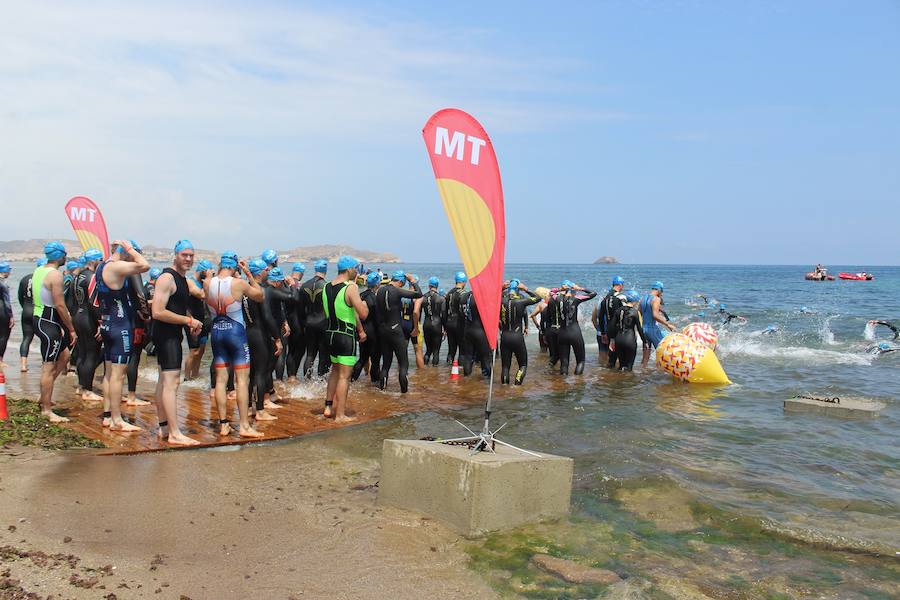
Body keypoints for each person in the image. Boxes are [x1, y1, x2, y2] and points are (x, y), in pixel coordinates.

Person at [205, 252, 265, 438]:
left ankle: (224, 425)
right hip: (236, 334)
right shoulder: (238, 283)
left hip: (217, 334)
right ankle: (245, 426)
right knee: (241, 381)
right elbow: (260, 296)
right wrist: (248, 273)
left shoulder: (209, 283)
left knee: (221, 381)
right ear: (235, 266)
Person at [151, 240, 203, 446]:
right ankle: (174, 433)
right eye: (184, 255)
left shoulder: (181, 278)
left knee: (164, 382)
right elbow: (158, 311)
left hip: (171, 335)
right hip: (166, 336)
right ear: (175, 255)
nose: (188, 259)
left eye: (191, 255)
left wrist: (187, 319)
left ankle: (164, 428)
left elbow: (177, 306)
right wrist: (188, 321)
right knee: (171, 383)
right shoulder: (167, 278)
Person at [95, 240, 149, 431]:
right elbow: (144, 265)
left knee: (109, 375)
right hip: (121, 327)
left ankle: (108, 415)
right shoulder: (117, 267)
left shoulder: (102, 266)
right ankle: (117, 420)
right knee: (118, 376)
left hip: (109, 324)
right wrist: (130, 249)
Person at [32, 242, 77, 422]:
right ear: (60, 256)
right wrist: (71, 328)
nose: (66, 257)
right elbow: (59, 304)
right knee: (48, 366)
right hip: (48, 321)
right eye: (65, 254)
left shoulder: (39, 270)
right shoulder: (55, 275)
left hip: (40, 318)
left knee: (64, 356)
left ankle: (44, 395)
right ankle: (46, 410)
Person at [322, 256, 368, 422]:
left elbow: (343, 309)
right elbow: (363, 314)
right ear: (349, 269)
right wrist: (364, 304)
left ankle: (328, 407)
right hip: (345, 336)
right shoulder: (351, 288)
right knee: (344, 376)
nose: (357, 271)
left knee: (335, 371)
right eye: (356, 268)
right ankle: (340, 415)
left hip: (330, 334)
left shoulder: (326, 286)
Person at [244, 259, 281, 422]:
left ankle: (249, 408)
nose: (269, 272)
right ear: (259, 273)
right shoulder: (259, 291)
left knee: (251, 373)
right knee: (261, 372)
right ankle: (259, 410)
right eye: (266, 270)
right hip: (260, 334)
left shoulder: (245, 289)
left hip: (248, 332)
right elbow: (267, 317)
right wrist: (277, 338)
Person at [375, 271, 422, 392]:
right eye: (402, 284)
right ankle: (404, 394)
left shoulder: (379, 290)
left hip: (383, 330)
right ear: (400, 282)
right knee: (403, 364)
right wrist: (412, 280)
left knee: (386, 364)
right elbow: (418, 294)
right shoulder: (397, 291)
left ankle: (382, 391)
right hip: (396, 330)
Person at [73, 248, 104, 401]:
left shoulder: (77, 276)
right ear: (94, 261)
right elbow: (94, 303)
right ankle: (88, 390)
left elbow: (71, 300)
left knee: (82, 352)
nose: (101, 263)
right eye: (100, 260)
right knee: (92, 354)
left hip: (78, 315)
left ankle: (80, 386)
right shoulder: (92, 277)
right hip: (89, 318)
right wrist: (100, 322)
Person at [499, 279, 540, 384]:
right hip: (517, 337)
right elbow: (538, 298)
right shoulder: (521, 301)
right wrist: (526, 289)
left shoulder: (500, 300)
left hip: (504, 337)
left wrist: (501, 288)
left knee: (505, 366)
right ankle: (516, 385)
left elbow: (489, 297)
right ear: (518, 289)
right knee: (523, 365)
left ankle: (504, 388)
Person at [557, 282, 597, 375]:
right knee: (580, 361)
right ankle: (577, 383)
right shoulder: (576, 299)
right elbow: (593, 293)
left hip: (562, 333)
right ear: (573, 290)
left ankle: (563, 384)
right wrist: (580, 288)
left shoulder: (557, 299)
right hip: (574, 333)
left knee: (564, 363)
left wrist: (560, 289)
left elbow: (551, 292)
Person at [184, 260, 212, 380]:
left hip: (204, 320)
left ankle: (195, 376)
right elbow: (201, 295)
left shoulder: (204, 282)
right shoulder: (190, 281)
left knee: (201, 351)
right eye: (206, 274)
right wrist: (209, 281)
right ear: (201, 271)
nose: (207, 277)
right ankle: (186, 377)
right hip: (192, 319)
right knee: (193, 351)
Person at [300, 260, 329, 378]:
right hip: (323, 324)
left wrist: (303, 324)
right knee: (323, 354)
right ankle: (321, 383)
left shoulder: (304, 285)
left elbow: (301, 308)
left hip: (309, 323)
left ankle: (307, 382)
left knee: (310, 354)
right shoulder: (327, 286)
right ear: (325, 270)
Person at [351, 271, 381, 383]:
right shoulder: (376, 298)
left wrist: (360, 331)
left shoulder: (361, 295)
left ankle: (351, 381)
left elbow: (355, 314)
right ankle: (374, 385)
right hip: (374, 333)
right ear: (377, 284)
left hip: (363, 331)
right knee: (375, 360)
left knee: (362, 358)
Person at [639, 281, 677, 367]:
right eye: (662, 292)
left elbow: (640, 313)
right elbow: (655, 315)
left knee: (645, 356)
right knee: (662, 354)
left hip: (643, 329)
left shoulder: (643, 298)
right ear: (659, 290)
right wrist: (667, 324)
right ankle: (660, 374)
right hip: (652, 329)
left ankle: (642, 372)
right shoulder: (656, 299)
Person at [609, 290, 647, 371]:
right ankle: (628, 382)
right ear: (635, 300)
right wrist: (645, 342)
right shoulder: (635, 312)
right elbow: (640, 329)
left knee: (621, 366)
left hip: (618, 340)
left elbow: (611, 326)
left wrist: (612, 339)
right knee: (629, 367)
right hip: (630, 341)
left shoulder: (618, 311)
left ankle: (619, 382)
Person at [460, 288, 493, 377]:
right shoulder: (480, 298)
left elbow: (461, 314)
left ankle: (466, 379)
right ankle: (487, 380)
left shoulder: (463, 297)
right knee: (485, 357)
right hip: (480, 331)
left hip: (467, 330)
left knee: (468, 356)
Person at [594, 276, 625, 365]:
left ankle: (602, 374)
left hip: (602, 332)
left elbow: (598, 317)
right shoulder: (620, 297)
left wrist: (602, 332)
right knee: (615, 357)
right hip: (613, 333)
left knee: (603, 356)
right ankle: (612, 375)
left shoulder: (604, 299)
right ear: (621, 285)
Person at [17, 260, 41, 372]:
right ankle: (44, 362)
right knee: (44, 338)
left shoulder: (25, 278)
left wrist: (25, 307)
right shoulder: (44, 278)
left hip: (26, 310)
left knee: (26, 338)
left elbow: (19, 296)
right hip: (38, 311)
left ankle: (23, 365)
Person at [285, 262, 307, 382]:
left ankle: (289, 376)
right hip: (299, 322)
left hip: (287, 321)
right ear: (302, 274)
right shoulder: (301, 286)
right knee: (299, 350)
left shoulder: (284, 284)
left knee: (290, 350)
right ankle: (292, 376)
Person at [443, 272, 467, 364]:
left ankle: (448, 369)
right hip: (459, 324)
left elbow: (444, 311)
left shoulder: (449, 293)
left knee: (451, 349)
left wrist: (445, 327)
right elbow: (464, 311)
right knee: (462, 349)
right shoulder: (464, 294)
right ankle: (459, 371)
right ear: (463, 282)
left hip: (449, 323)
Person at [421, 276, 445, 366]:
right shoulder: (441, 298)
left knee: (428, 350)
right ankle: (435, 372)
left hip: (426, 324)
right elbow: (443, 315)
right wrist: (444, 329)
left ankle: (424, 370)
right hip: (437, 325)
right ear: (437, 285)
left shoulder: (423, 297)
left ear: (429, 286)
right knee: (436, 351)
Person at [0, 262, 12, 367]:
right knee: (4, 336)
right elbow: (7, 301)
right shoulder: (3, 283)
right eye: (9, 270)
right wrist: (11, 316)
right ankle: (0, 360)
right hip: (2, 310)